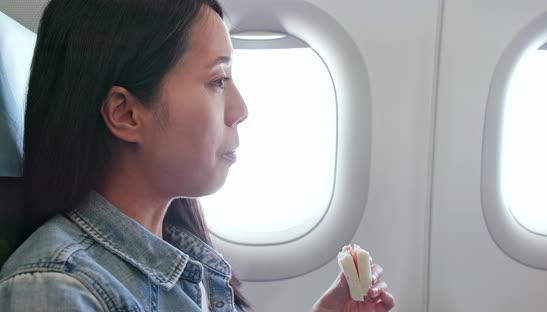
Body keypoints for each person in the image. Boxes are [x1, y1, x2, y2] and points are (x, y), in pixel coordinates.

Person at [0, 0, 395, 311]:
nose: (240, 110)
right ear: (126, 113)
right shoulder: (59, 288)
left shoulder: (191, 262)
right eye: (217, 80)